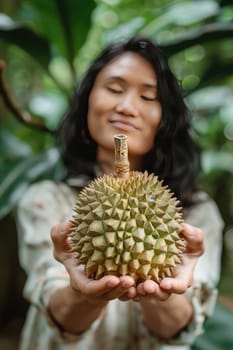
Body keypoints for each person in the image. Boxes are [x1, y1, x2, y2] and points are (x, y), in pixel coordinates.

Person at [16, 36, 224, 350]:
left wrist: (164, 295)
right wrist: (81, 295)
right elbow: (55, 310)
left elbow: (182, 327)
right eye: (114, 89)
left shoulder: (195, 213)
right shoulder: (44, 200)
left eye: (148, 96)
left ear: (165, 119)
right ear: (87, 102)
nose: (126, 107)